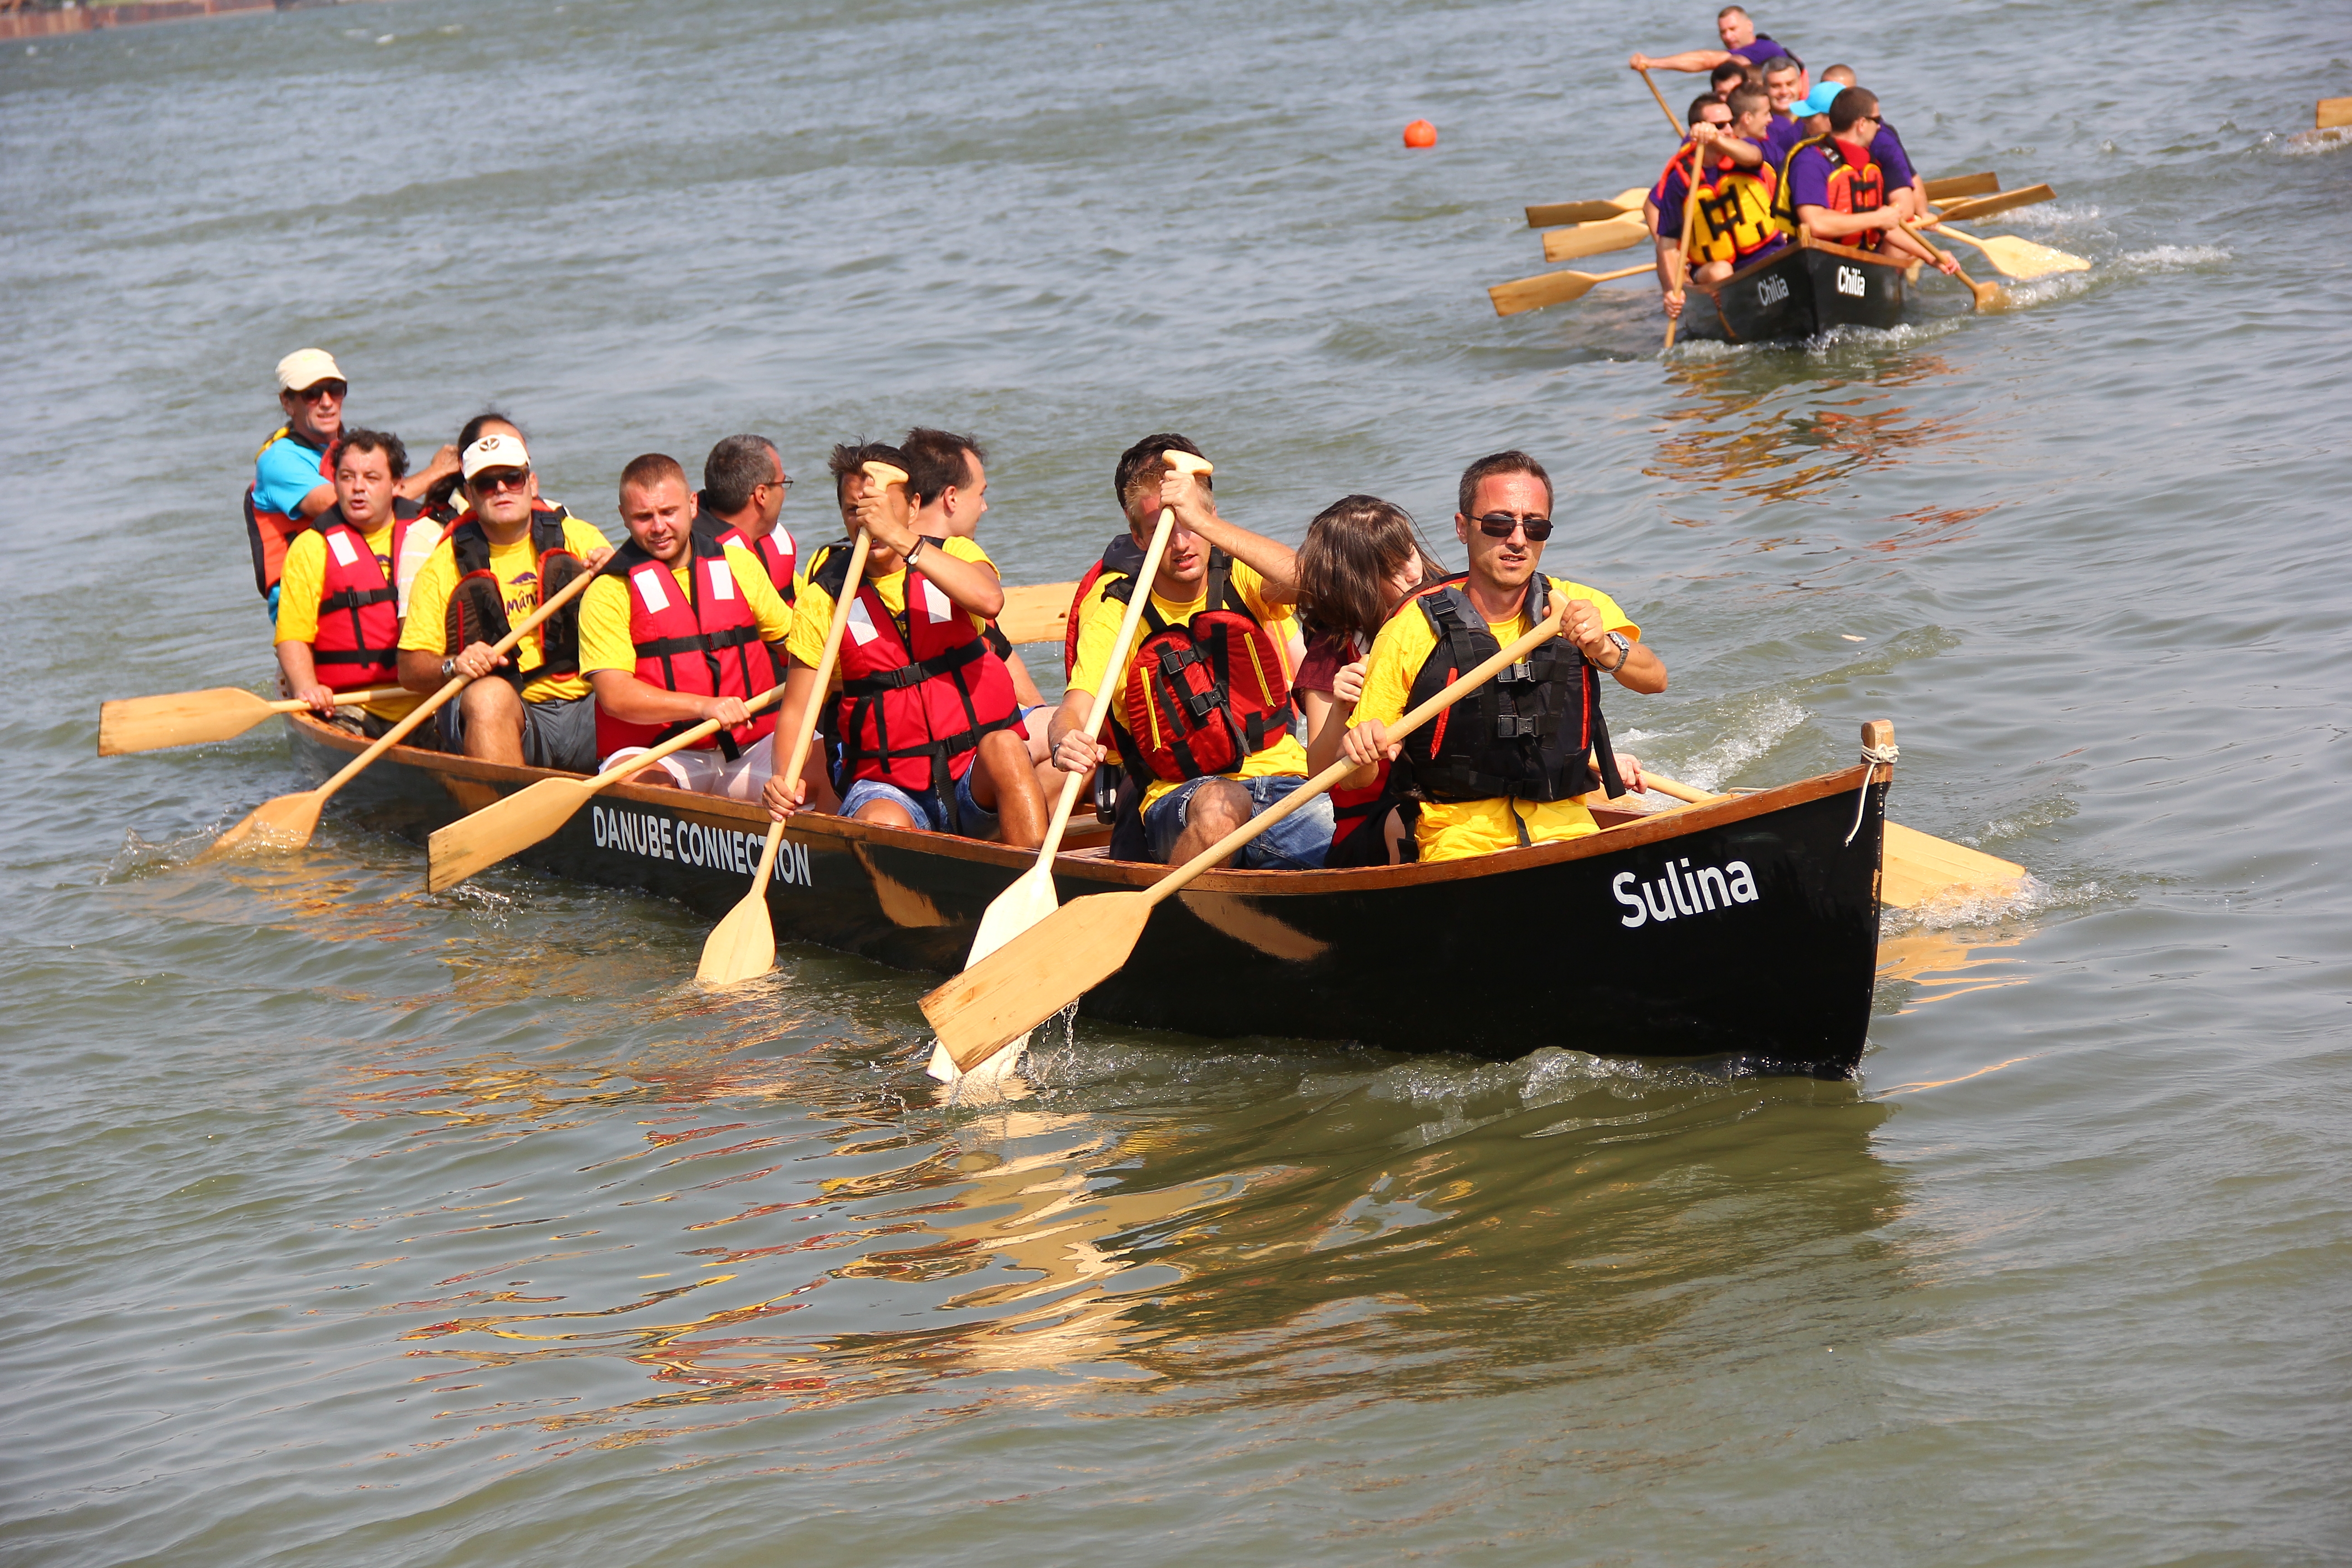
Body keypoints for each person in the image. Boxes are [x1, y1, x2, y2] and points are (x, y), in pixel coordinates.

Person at [1338, 451, 1665, 864]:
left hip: (1567, 831)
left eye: (1535, 525)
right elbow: (1355, 778)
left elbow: (1655, 679)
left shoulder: (1578, 606)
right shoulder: (1409, 629)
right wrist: (1361, 751)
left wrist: (1601, 647)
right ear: (1463, 528)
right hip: (1458, 843)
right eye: (1498, 523)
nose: (1517, 539)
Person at [1048, 439, 1332, 871]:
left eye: (1189, 525)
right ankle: (1184, 925)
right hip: (1182, 795)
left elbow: (1311, 581)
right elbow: (1074, 708)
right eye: (1162, 529)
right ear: (1138, 536)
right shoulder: (1116, 611)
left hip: (1283, 780)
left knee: (1362, 833)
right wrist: (1063, 741)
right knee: (1221, 807)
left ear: (1211, 517)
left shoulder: (1241, 576)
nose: (1181, 544)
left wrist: (1200, 519)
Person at [760, 442, 1047, 846]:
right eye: (854, 511)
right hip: (889, 786)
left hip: (971, 773)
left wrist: (900, 539)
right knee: (884, 823)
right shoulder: (825, 598)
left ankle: (1035, 883)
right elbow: (797, 712)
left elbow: (989, 600)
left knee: (1007, 747)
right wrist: (781, 781)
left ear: (913, 507)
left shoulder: (954, 554)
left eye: (880, 509)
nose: (867, 523)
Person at [396, 432, 616, 770]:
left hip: (589, 707)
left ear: (531, 482)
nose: (500, 489)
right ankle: (505, 807)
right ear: (469, 494)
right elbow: (410, 670)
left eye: (512, 478)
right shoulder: (443, 565)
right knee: (488, 697)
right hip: (512, 716)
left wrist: (620, 574)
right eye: (486, 483)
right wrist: (455, 664)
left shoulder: (581, 538)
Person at [581, 453, 791, 799]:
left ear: (693, 505)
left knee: (825, 769)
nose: (659, 527)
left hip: (752, 744)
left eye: (668, 512)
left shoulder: (738, 563)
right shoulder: (608, 591)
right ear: (623, 517)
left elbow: (796, 646)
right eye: (643, 517)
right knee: (642, 790)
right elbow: (614, 696)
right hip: (662, 754)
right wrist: (703, 706)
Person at [244, 348, 456, 612]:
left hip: (360, 582)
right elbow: (348, 505)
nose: (326, 402)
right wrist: (437, 472)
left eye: (335, 390)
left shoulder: (346, 451)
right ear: (287, 403)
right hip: (309, 601)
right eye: (311, 394)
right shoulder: (278, 461)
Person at [1293, 495, 1445, 866]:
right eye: (1393, 568)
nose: (1414, 574)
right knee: (1406, 823)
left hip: (1457, 799)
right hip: (1373, 823)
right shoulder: (1333, 651)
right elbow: (1318, 775)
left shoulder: (1450, 614)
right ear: (1355, 582)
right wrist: (1340, 712)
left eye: (1410, 554)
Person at [902, 426, 1056, 774]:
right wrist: (1050, 717)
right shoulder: (962, 556)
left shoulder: (867, 565)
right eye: (981, 494)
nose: (984, 507)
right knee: (1085, 728)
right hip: (972, 749)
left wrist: (1041, 710)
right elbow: (994, 625)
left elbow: (996, 647)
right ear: (952, 498)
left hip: (907, 755)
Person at [271, 428, 441, 738]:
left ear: (398, 485)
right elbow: (292, 637)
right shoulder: (312, 547)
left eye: (371, 478)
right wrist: (308, 689)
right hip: (351, 707)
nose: (358, 488)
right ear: (335, 483)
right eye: (347, 477)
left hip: (432, 701)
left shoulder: (431, 534)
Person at [1778, 88, 1958, 275]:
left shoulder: (1867, 163)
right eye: (1877, 120)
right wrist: (1878, 218)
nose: (1880, 127)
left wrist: (1930, 256)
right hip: (1819, 264)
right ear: (1862, 124)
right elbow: (1816, 223)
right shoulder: (1810, 162)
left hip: (1858, 264)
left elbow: (1884, 226)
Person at [1649, 93, 1777, 321]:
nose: (1729, 129)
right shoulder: (1679, 179)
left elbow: (1754, 157)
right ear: (1696, 132)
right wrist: (1671, 292)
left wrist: (1716, 139)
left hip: (1764, 255)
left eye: (1730, 122)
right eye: (1720, 126)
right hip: (1715, 270)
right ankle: (1728, 314)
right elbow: (1667, 247)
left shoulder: (1743, 150)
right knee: (1721, 271)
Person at [692, 433, 797, 599]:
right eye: (783, 484)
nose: (784, 493)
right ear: (761, 495)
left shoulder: (768, 544)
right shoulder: (711, 564)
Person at [1818, 64, 1926, 220]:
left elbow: (1910, 179)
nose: (1836, 102)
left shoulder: (1880, 139)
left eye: (1843, 95)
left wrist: (1923, 213)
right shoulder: (1808, 139)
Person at [1629, 5, 1801, 76]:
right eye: (1723, 32)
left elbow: (1706, 60)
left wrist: (1652, 63)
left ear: (1749, 26)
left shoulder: (1763, 49)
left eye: (1733, 30)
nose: (1728, 37)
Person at [1759, 56, 1811, 163]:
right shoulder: (1758, 127)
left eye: (1790, 84)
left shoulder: (1814, 121)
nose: (1784, 92)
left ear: (1801, 84)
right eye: (1776, 86)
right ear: (1764, 88)